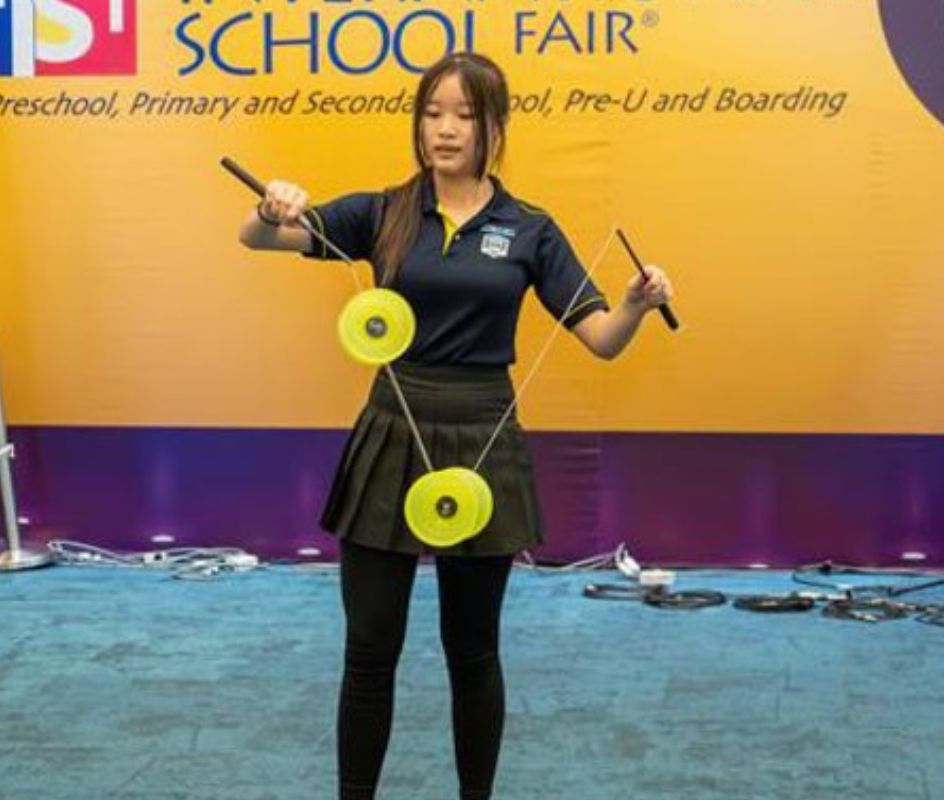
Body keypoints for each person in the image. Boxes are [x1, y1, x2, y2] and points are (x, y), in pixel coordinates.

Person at [237, 52, 674, 800]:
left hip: (483, 443)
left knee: (472, 652)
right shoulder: (384, 211)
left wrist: (635, 304)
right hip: (391, 435)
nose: (445, 129)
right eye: (432, 113)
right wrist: (269, 206)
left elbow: (600, 337)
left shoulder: (529, 228)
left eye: (465, 115)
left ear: (493, 126)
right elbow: (259, 238)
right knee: (370, 649)